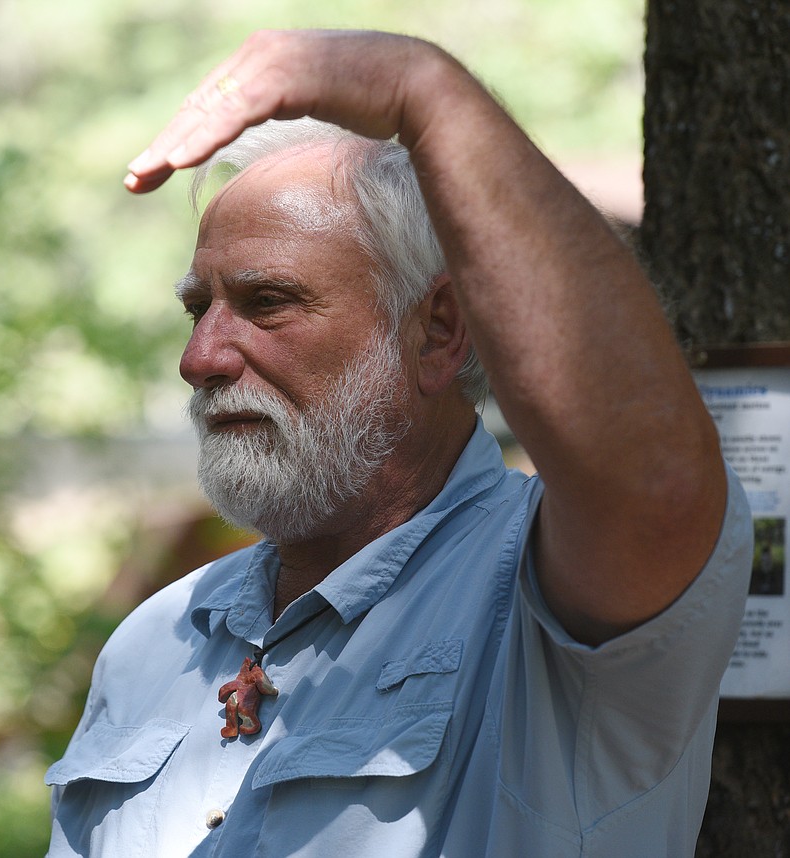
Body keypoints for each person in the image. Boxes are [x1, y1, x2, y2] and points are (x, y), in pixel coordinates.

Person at [45, 30, 752, 857]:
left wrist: (425, 92)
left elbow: (655, 483)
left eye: (268, 301)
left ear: (438, 331)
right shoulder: (156, 640)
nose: (199, 359)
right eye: (199, 308)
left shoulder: (544, 597)